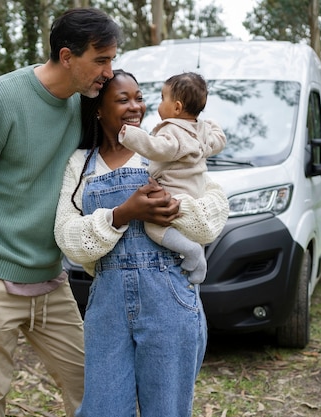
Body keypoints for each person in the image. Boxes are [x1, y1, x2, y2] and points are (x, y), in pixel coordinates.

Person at [0, 8, 124, 417]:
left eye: (112, 60)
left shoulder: (82, 106)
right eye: (101, 60)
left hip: (51, 283)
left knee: (95, 392)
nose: (109, 71)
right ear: (68, 56)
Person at [54, 70, 229, 417]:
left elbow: (214, 213)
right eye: (123, 99)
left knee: (166, 409)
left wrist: (175, 209)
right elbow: (68, 238)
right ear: (99, 109)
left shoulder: (164, 147)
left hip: (170, 297)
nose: (136, 107)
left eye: (139, 97)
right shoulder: (79, 164)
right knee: (103, 409)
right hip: (107, 303)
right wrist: (121, 214)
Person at [118, 72, 226, 284]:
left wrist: (130, 134)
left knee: (154, 227)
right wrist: (211, 123)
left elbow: (158, 149)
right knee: (192, 228)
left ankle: (192, 251)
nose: (158, 103)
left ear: (176, 107)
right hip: (196, 190)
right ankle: (198, 256)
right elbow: (218, 140)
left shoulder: (173, 130)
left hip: (174, 193)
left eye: (162, 98)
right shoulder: (201, 131)